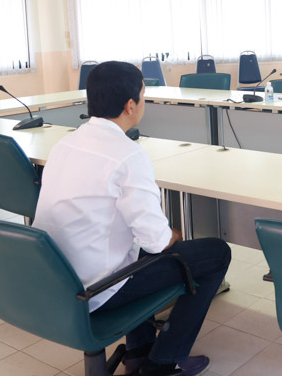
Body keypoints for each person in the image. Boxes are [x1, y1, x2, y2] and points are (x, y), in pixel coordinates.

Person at [34, 61, 231, 376]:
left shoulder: (65, 144)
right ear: (130, 105)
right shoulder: (128, 155)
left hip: (56, 276)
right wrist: (173, 234)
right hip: (96, 289)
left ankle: (139, 352)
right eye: (143, 96)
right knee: (216, 253)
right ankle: (163, 361)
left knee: (135, 249)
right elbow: (157, 242)